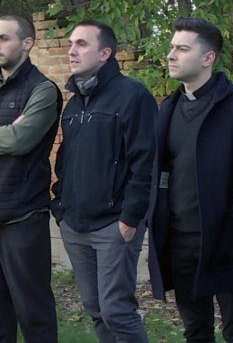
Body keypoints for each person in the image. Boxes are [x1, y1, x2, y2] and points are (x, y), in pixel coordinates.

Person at [148, 17, 233, 343]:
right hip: (179, 239)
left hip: (226, 238)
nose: (171, 55)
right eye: (172, 47)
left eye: (182, 49)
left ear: (208, 57)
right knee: (195, 329)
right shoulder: (167, 109)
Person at [52, 20, 157, 342]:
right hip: (74, 224)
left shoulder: (132, 95)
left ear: (105, 53)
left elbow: (146, 161)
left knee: (117, 311)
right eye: (71, 43)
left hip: (113, 225)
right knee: (95, 308)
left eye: (82, 44)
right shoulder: (75, 103)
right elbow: (66, 159)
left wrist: (130, 217)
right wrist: (60, 207)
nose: (72, 51)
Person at [0, 14, 62, 343]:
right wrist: (7, 132)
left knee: (33, 312)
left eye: (4, 38)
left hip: (23, 216)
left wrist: (12, 134)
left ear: (27, 43)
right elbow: (8, 136)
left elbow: (19, 140)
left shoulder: (42, 90)